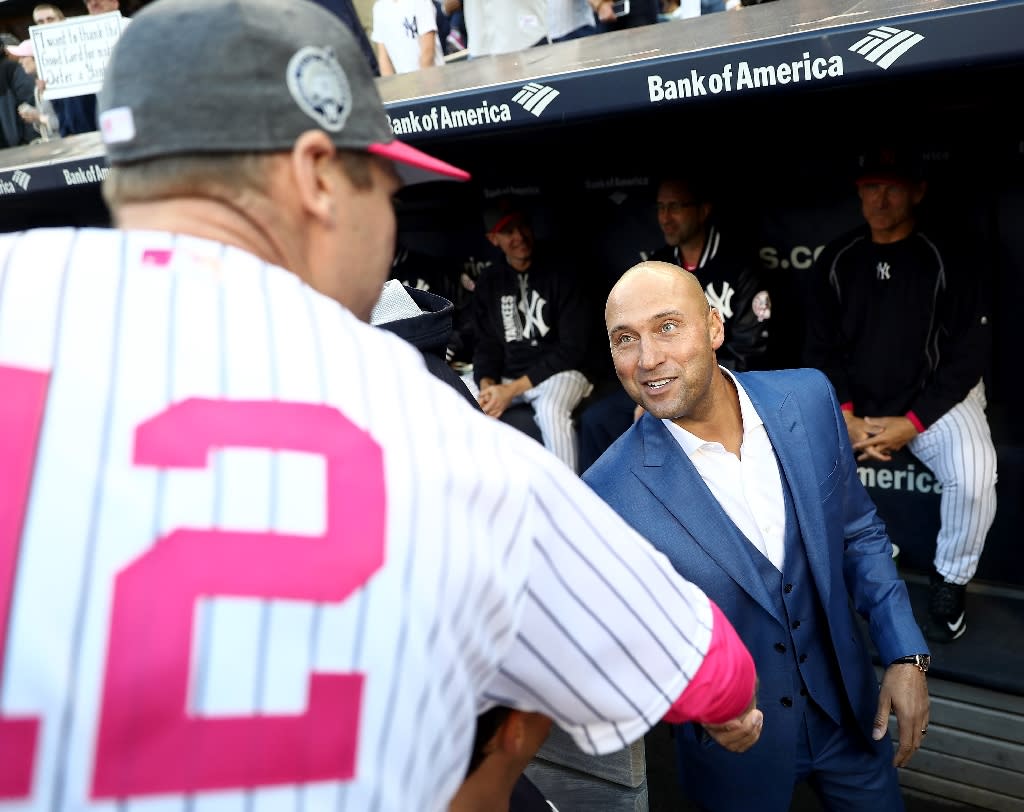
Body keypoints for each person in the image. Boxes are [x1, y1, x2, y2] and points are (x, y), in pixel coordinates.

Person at [0, 1, 760, 810]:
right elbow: (708, 667)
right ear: (317, 176)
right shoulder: (429, 430)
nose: (391, 216)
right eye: (384, 183)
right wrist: (732, 707)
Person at [584, 261, 931, 811]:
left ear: (715, 327)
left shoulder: (808, 397)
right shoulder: (605, 492)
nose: (648, 359)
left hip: (851, 713)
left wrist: (905, 654)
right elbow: (624, 641)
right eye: (625, 339)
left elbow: (858, 532)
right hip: (733, 755)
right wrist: (693, 704)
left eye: (668, 326)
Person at [804, 148, 997, 644]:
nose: (879, 199)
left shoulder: (948, 257)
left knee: (974, 475)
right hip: (858, 408)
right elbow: (821, 349)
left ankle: (950, 580)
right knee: (795, 459)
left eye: (891, 187)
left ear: (917, 191)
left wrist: (912, 421)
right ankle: (833, 571)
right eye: (870, 187)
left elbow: (968, 357)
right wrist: (844, 415)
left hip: (935, 404)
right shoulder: (838, 259)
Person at [578, 176, 774, 471]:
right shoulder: (656, 266)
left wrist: (679, 388)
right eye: (660, 208)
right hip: (661, 379)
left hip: (715, 385)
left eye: (675, 207)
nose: (665, 218)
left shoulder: (740, 265)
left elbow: (752, 352)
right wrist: (651, 395)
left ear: (703, 210)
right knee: (596, 419)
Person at [472, 198, 595, 471]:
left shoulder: (563, 271)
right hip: (508, 378)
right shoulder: (490, 281)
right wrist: (487, 386)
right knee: (462, 394)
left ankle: (570, 502)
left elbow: (573, 349)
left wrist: (510, 390)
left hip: (561, 374)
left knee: (551, 411)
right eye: (508, 231)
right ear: (493, 239)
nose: (519, 236)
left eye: (522, 226)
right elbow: (487, 343)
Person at [371, 0, 445, 76]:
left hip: (433, 79)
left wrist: (422, 84)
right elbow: (383, 59)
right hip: (406, 83)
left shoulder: (421, 2)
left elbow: (428, 50)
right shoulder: (379, 8)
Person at [6, 40, 59, 140]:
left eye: (23, 56)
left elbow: (65, 123)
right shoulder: (37, 88)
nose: (20, 61)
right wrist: (34, 117)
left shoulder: (55, 84)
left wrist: (39, 117)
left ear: (36, 58)